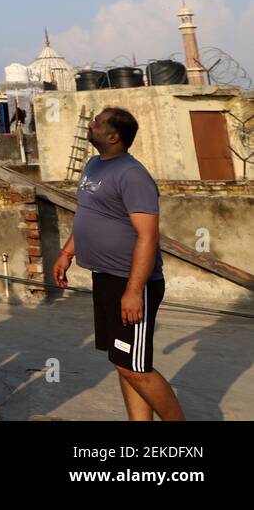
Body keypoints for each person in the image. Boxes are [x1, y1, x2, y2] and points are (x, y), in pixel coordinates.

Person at [53, 108, 184, 421]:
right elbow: (88, 216)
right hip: (106, 278)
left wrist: (134, 290)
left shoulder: (132, 174)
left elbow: (147, 236)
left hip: (132, 282)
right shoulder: (94, 165)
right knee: (124, 363)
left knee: (135, 367)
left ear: (113, 137)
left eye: (98, 123)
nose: (92, 124)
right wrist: (67, 252)